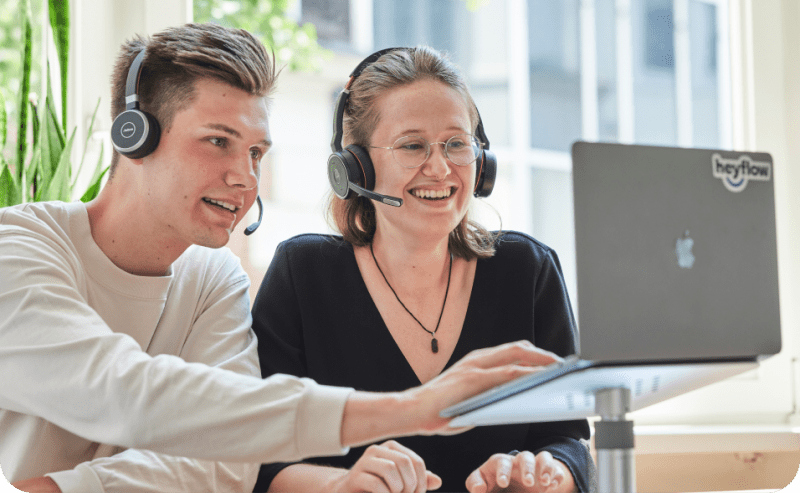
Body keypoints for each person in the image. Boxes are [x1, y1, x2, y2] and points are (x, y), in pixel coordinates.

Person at [0, 24, 566, 493]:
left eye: (255, 152)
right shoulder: (18, 249)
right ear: (135, 137)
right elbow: (121, 392)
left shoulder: (213, 279)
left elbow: (225, 461)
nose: (245, 177)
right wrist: (411, 409)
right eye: (217, 141)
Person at [252, 46, 597, 493]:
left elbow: (567, 436)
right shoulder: (303, 274)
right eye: (412, 146)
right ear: (355, 165)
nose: (439, 168)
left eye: (457, 144)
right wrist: (343, 484)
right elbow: (259, 457)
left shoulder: (527, 270)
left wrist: (548, 475)